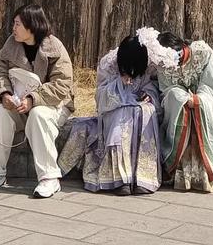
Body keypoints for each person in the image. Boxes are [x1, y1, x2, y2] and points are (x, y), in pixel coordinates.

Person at [59, 28, 175, 195]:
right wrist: (119, 83)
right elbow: (101, 98)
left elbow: (151, 86)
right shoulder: (109, 65)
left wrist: (148, 94)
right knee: (124, 114)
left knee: (147, 111)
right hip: (114, 110)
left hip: (139, 108)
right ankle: (120, 178)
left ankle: (143, 176)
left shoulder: (149, 65)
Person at [0, 4, 74, 199]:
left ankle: (49, 178)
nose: (13, 28)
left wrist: (34, 99)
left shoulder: (54, 47)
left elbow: (62, 83)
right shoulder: (11, 44)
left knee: (39, 115)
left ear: (32, 26)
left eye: (17, 24)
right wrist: (5, 94)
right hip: (18, 102)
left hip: (53, 104)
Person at [155, 31, 213, 192]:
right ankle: (182, 173)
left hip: (206, 99)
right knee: (178, 100)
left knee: (199, 107)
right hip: (183, 103)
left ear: (182, 47)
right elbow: (167, 89)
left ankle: (206, 174)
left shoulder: (203, 53)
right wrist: (182, 98)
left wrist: (199, 100)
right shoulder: (163, 62)